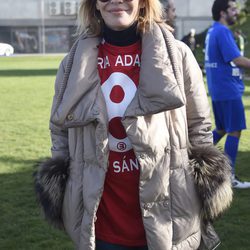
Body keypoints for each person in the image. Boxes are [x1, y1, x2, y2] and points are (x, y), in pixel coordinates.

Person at [34, 0, 233, 249]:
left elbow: (199, 127)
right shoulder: (74, 62)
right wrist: (67, 181)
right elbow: (60, 128)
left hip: (169, 217)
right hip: (101, 224)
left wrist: (203, 185)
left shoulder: (177, 55)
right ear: (95, 4)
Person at [205, 0, 250, 188]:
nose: (235, 12)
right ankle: (228, 178)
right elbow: (237, 59)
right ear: (223, 12)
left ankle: (195, 159)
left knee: (222, 128)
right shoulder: (222, 31)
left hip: (218, 89)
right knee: (234, 130)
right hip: (227, 89)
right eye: (232, 9)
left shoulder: (212, 30)